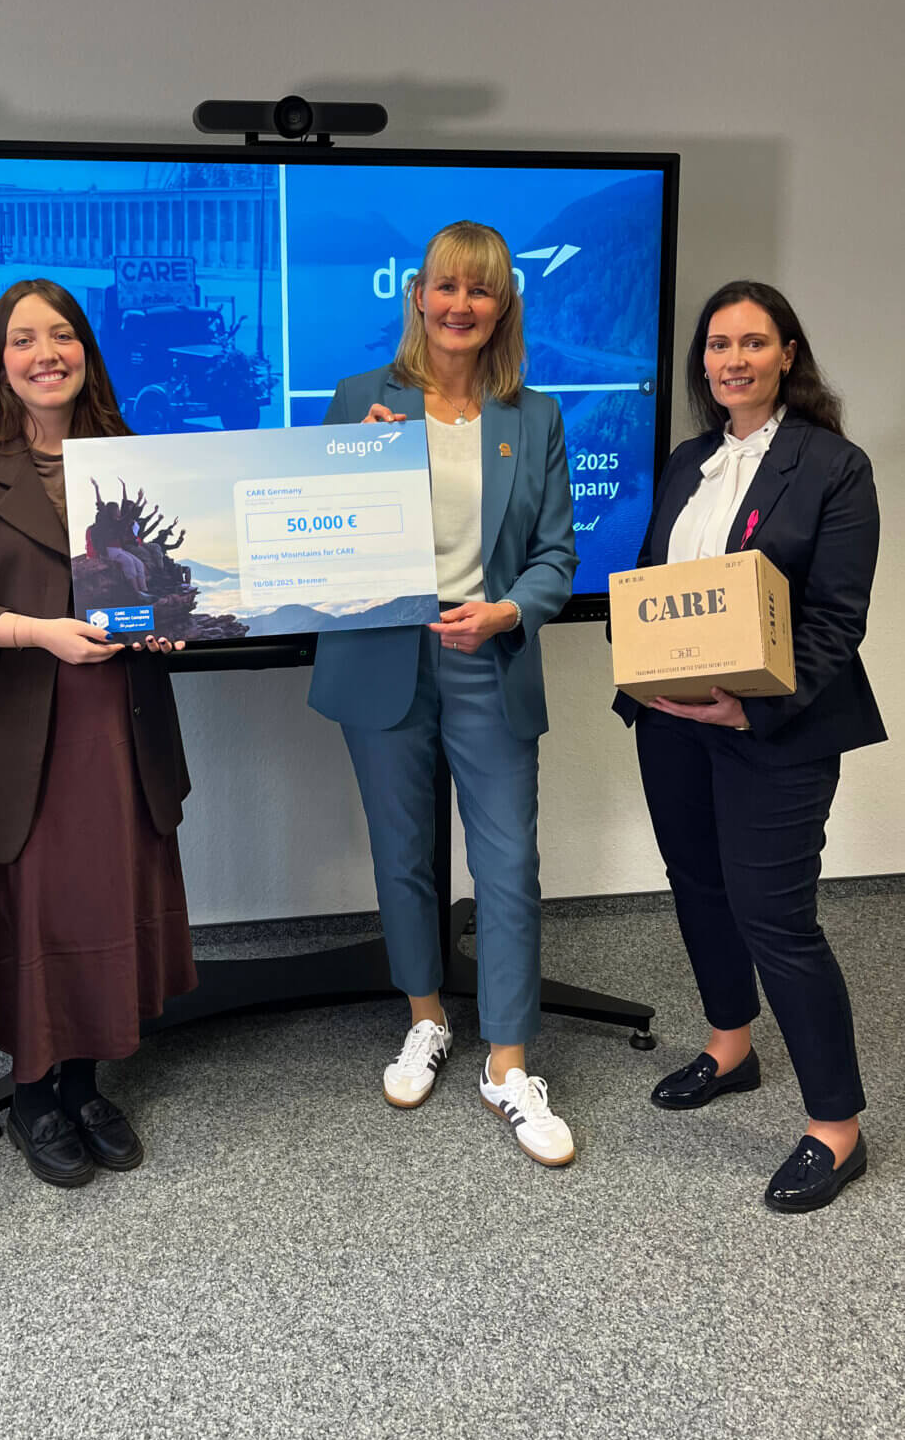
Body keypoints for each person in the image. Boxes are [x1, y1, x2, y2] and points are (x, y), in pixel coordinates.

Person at [0, 278, 195, 1190]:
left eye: (61, 335)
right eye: (24, 339)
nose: (45, 353)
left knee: (112, 899)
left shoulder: (127, 452)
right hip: (22, 722)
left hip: (121, 719)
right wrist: (36, 632)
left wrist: (177, 612)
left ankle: (88, 1080)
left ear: (86, 352)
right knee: (36, 910)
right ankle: (32, 1093)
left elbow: (166, 580)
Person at [308, 221, 579, 1167]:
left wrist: (509, 611)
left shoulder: (533, 416)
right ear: (418, 294)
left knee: (508, 864)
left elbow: (557, 557)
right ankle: (425, 1015)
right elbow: (309, 526)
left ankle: (508, 1062)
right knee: (402, 854)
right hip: (385, 654)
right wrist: (353, 456)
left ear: (503, 307)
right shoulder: (359, 400)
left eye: (483, 290)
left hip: (488, 657)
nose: (461, 305)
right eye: (446, 287)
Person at [614, 279, 885, 1212]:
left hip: (779, 727)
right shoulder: (688, 459)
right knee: (698, 883)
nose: (732, 360)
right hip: (672, 721)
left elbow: (836, 620)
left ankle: (836, 1127)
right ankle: (732, 1043)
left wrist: (750, 709)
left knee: (777, 916)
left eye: (753, 343)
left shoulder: (835, 466)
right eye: (718, 345)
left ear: (788, 356)